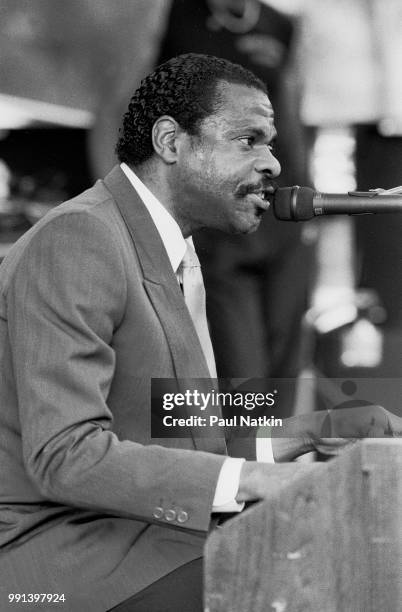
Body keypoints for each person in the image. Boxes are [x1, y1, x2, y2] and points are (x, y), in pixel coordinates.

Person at [0, 54, 399, 612]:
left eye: (271, 143)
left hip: (141, 536)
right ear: (170, 141)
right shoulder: (79, 238)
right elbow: (67, 456)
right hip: (55, 560)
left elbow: (182, 439)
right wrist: (264, 481)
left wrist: (317, 429)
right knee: (336, 572)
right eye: (248, 139)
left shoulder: (172, 249)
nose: (274, 164)